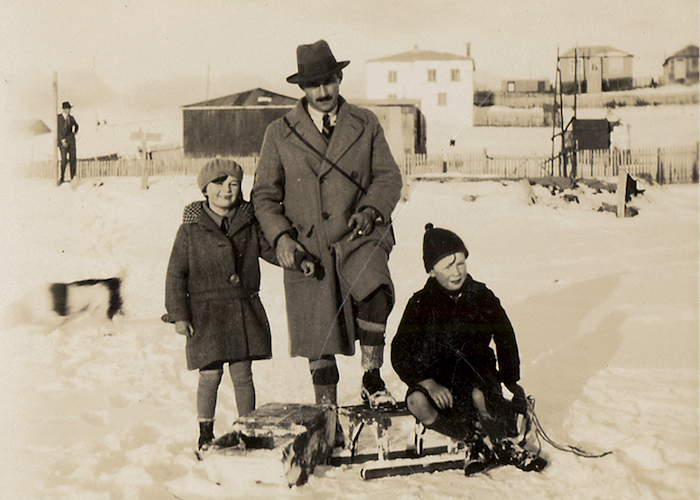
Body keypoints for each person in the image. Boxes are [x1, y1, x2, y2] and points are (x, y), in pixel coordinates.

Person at [252, 40, 403, 410]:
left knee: (376, 291)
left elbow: (388, 177)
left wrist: (369, 210)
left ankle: (371, 378)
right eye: (314, 85)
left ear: (340, 78)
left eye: (329, 81)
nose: (323, 92)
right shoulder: (279, 132)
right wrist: (282, 238)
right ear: (302, 88)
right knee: (317, 331)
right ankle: (326, 409)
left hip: (358, 234)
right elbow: (264, 196)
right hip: (309, 245)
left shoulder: (365, 123)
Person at [164, 159, 316, 450]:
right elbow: (175, 274)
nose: (227, 190)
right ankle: (205, 432)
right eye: (219, 183)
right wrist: (179, 314)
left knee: (243, 375)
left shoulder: (248, 221)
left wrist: (298, 260)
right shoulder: (190, 230)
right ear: (205, 190)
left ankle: (249, 430)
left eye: (233, 183)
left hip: (242, 311)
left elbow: (272, 250)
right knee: (210, 375)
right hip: (205, 314)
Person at [391, 224, 547, 475]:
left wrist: (510, 378)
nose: (456, 272)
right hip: (441, 383)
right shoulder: (420, 303)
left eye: (460, 263)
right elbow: (400, 351)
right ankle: (470, 437)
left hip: (478, 376)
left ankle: (500, 441)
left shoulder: (481, 296)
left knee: (479, 396)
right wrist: (428, 383)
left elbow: (505, 336)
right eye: (447, 266)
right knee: (416, 401)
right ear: (431, 271)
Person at [57, 101, 79, 184]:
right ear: (64, 109)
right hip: (62, 141)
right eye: (68, 109)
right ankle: (61, 178)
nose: (70, 110)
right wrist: (63, 140)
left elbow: (76, 125)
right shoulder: (58, 118)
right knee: (64, 160)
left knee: (73, 158)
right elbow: (58, 130)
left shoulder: (71, 118)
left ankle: (73, 177)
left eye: (70, 109)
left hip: (71, 141)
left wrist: (74, 132)